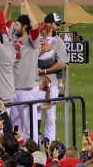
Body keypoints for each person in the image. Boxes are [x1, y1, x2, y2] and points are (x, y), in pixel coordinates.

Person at [4, 0, 40, 141]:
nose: (14, 27)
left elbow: (36, 25)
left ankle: (33, 150)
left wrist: (27, 6)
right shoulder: (14, 35)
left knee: (29, 126)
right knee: (16, 126)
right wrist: (8, 4)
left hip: (27, 88)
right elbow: (6, 19)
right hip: (13, 88)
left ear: (25, 27)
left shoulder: (33, 41)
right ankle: (18, 151)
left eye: (18, 25)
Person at [39, 13, 68, 142]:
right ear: (49, 25)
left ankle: (49, 149)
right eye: (57, 24)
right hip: (34, 84)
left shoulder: (59, 42)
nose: (59, 27)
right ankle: (35, 144)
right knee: (32, 117)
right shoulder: (37, 40)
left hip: (52, 84)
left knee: (50, 119)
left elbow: (62, 64)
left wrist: (44, 70)